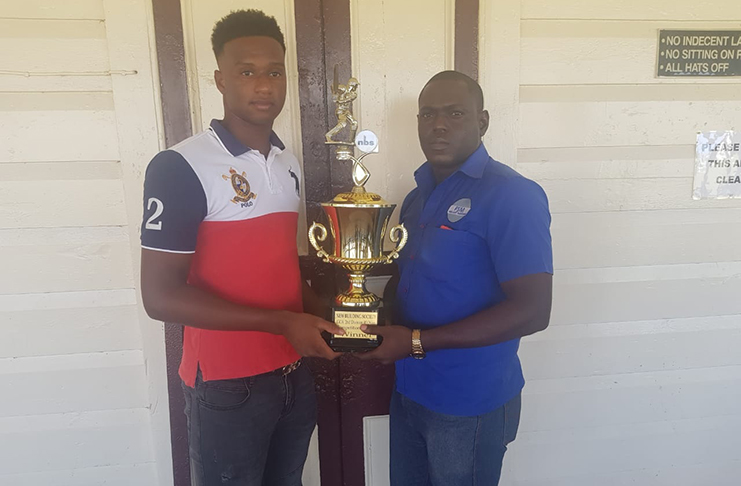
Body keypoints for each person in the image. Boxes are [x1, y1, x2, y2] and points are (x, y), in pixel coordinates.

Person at [139, 10, 343, 486]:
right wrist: (283, 323)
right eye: (246, 72)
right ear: (220, 80)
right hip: (227, 386)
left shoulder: (286, 162)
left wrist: (332, 317)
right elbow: (161, 297)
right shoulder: (179, 166)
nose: (263, 85)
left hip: (293, 371)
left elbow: (278, 267)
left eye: (273, 71)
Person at [359, 71, 553, 485]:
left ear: (482, 122)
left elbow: (533, 311)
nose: (439, 125)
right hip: (410, 390)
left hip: (469, 403)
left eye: (455, 113)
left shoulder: (512, 196)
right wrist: (358, 319)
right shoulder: (416, 198)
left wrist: (414, 342)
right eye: (427, 114)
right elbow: (412, 281)